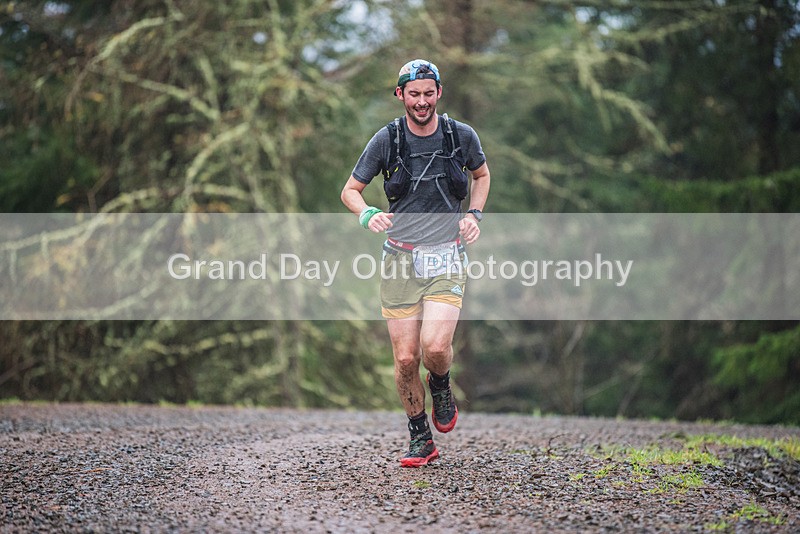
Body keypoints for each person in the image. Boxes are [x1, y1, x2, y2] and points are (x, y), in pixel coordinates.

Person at [341, 59, 490, 467]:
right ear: (401, 95)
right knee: (406, 358)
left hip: (446, 256)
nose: (421, 101)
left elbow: (481, 175)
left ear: (438, 92)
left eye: (428, 93)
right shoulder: (386, 140)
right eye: (414, 94)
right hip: (399, 260)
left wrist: (473, 215)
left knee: (435, 348)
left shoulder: (460, 135)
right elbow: (351, 191)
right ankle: (420, 437)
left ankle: (440, 382)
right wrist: (368, 214)